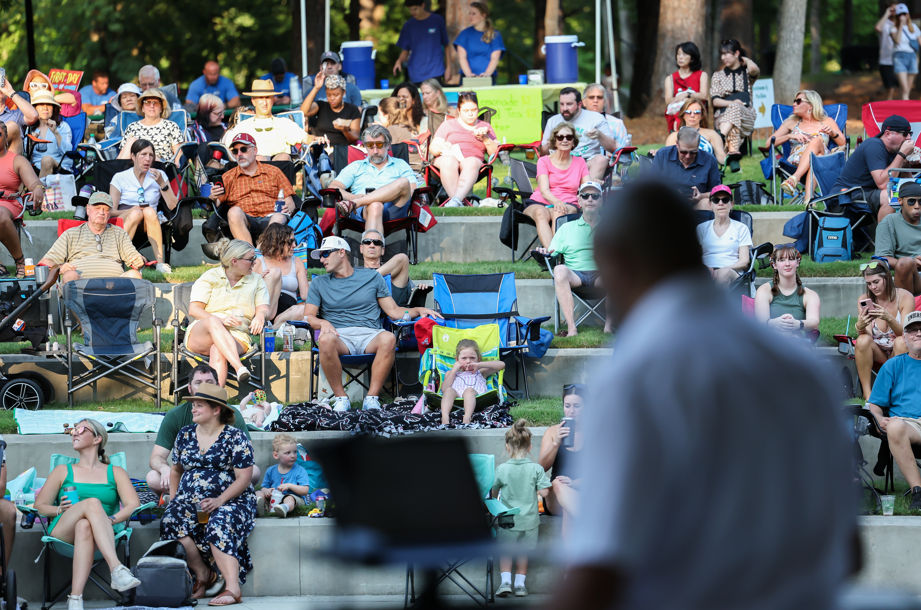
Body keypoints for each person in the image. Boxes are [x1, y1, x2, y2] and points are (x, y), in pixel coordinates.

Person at [551, 179, 858, 610]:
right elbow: (850, 552)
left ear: (615, 261)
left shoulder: (632, 380)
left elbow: (597, 576)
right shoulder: (803, 368)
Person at [304, 235, 441, 411]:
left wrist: (418, 311)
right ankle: (341, 398)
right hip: (339, 336)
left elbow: (393, 311)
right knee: (324, 340)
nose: (322, 259)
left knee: (389, 338)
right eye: (320, 256)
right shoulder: (319, 283)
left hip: (370, 334)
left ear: (341, 253)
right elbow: (308, 316)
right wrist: (322, 323)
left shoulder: (372, 278)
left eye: (325, 254)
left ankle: (371, 398)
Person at [159, 383, 257, 605]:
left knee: (219, 522)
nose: (193, 409)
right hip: (190, 500)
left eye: (199, 405)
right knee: (171, 520)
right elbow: (175, 470)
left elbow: (244, 477)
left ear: (216, 410)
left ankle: (233, 589)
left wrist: (220, 500)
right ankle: (203, 573)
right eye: (193, 404)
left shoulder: (235, 437)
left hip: (232, 499)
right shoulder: (184, 435)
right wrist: (174, 501)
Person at [33, 419, 142, 610]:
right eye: (73, 430)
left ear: (97, 439)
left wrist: (110, 519)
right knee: (92, 503)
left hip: (102, 534)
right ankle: (116, 569)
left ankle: (75, 599)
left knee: (84, 526)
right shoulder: (62, 471)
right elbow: (39, 506)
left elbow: (133, 505)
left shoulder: (115, 472)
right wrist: (59, 509)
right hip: (63, 532)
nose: (74, 433)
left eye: (80, 429)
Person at [146, 364, 258, 497]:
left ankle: (228, 495)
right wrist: (164, 469)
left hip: (224, 479)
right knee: (153, 477)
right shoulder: (178, 419)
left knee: (254, 471)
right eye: (198, 383)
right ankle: (178, 496)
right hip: (188, 477)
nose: (204, 387)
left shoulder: (233, 419)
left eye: (209, 383)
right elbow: (157, 458)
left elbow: (246, 458)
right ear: (189, 388)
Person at [185, 238, 269, 386]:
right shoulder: (210, 276)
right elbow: (194, 309)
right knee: (213, 320)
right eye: (251, 259)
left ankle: (214, 401)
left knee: (218, 348)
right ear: (234, 261)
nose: (255, 262)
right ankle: (239, 367)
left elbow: (263, 308)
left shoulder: (256, 280)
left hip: (237, 334)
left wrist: (261, 315)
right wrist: (221, 321)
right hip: (203, 333)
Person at [538, 182, 612, 336]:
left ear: (601, 201)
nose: (590, 199)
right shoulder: (566, 228)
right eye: (585, 196)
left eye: (595, 196)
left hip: (602, 274)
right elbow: (550, 254)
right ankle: (571, 328)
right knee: (559, 270)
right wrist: (542, 252)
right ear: (579, 201)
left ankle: (608, 328)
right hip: (575, 275)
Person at [867, 309, 921, 509]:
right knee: (895, 426)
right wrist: (879, 419)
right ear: (904, 337)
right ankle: (919, 493)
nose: (918, 333)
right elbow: (875, 405)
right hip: (909, 425)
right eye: (913, 330)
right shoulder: (892, 366)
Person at [492, 419, 551, 598]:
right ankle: (520, 586)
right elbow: (545, 493)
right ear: (530, 447)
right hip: (529, 521)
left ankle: (505, 583)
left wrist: (492, 504)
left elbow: (493, 492)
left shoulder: (502, 469)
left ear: (507, 446)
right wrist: (550, 485)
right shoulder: (536, 469)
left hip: (507, 520)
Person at [327, 124, 417, 235]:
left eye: (379, 145)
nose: (375, 151)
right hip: (363, 211)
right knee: (375, 205)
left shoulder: (400, 164)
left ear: (388, 145)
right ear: (365, 146)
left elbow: (412, 189)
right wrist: (353, 197)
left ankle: (356, 203)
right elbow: (333, 187)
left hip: (394, 209)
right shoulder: (356, 166)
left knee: (404, 182)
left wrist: (356, 202)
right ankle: (374, 248)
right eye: (370, 145)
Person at [208, 133, 296, 245]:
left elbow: (290, 202)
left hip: (272, 217)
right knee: (233, 212)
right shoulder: (228, 177)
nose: (239, 154)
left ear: (255, 151)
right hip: (246, 219)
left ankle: (258, 252)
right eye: (235, 151)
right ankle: (249, 253)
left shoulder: (274, 172)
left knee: (279, 217)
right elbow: (214, 205)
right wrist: (212, 197)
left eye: (243, 149)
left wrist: (288, 209)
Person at [38, 192, 144, 283]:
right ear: (88, 209)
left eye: (106, 209)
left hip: (115, 286)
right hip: (81, 284)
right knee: (70, 276)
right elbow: (45, 261)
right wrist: (61, 268)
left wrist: (140, 261)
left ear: (110, 213)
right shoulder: (71, 234)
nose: (102, 212)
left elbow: (135, 258)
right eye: (97, 208)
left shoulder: (119, 233)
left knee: (135, 275)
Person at [109, 139, 177, 273]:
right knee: (137, 213)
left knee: (150, 211)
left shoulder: (159, 175)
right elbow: (111, 211)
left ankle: (160, 263)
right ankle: (118, 260)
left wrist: (162, 184)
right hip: (125, 218)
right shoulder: (120, 177)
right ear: (133, 156)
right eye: (143, 154)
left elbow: (173, 205)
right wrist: (131, 210)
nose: (148, 159)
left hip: (149, 221)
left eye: (151, 155)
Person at [835, 114, 914, 223]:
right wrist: (901, 155)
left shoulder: (895, 151)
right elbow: (883, 184)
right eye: (904, 134)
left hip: (866, 194)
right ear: (888, 134)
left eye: (910, 134)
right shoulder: (873, 146)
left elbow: (908, 185)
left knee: (913, 193)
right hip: (845, 198)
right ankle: (884, 239)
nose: (909, 138)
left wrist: (906, 164)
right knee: (890, 196)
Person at [769, 90, 845, 201]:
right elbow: (768, 143)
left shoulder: (827, 121)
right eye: (794, 101)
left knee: (816, 142)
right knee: (816, 157)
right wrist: (789, 136)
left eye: (798, 101)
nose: (794, 104)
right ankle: (809, 200)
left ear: (810, 105)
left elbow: (844, 143)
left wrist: (833, 134)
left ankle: (795, 178)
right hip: (797, 161)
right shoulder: (791, 122)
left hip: (824, 162)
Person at [524, 122, 589, 247]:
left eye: (569, 137)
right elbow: (544, 190)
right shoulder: (544, 161)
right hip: (541, 201)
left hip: (568, 202)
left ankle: (556, 255)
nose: (564, 140)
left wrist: (594, 183)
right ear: (555, 141)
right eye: (560, 137)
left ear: (573, 141)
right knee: (539, 213)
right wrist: (557, 202)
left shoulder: (580, 162)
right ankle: (552, 255)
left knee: (559, 212)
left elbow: (587, 185)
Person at [855, 259, 913, 399]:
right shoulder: (864, 300)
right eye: (869, 284)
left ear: (886, 277)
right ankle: (868, 395)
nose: (873, 287)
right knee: (862, 340)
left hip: (900, 350)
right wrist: (860, 326)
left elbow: (907, 334)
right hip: (878, 352)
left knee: (901, 341)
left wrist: (889, 318)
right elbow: (867, 334)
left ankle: (897, 394)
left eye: (876, 282)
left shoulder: (905, 297)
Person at [431, 91, 497, 207]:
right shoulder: (448, 125)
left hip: (472, 164)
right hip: (447, 161)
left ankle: (455, 201)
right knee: (449, 160)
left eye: (474, 110)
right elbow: (433, 148)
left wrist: (486, 139)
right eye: (466, 111)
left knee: (471, 161)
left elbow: (493, 154)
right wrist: (442, 147)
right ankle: (457, 200)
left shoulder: (485, 127)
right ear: (458, 111)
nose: (470, 114)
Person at [224, 79, 318, 161]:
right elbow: (227, 145)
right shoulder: (243, 125)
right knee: (258, 158)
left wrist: (316, 138)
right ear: (253, 101)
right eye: (261, 98)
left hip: (280, 167)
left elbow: (305, 137)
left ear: (273, 101)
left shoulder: (284, 123)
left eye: (267, 98)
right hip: (254, 170)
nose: (264, 102)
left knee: (283, 157)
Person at [537, 384, 584, 541]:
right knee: (558, 483)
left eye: (577, 406)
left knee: (568, 510)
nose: (571, 411)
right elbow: (541, 467)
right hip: (555, 497)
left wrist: (574, 483)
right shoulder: (552, 432)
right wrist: (556, 443)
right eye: (567, 406)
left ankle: (570, 564)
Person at [540, 88, 615, 181]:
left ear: (579, 104)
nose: (564, 108)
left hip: (587, 162)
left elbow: (613, 148)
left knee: (601, 159)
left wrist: (600, 135)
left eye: (569, 104)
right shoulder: (553, 121)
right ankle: (585, 191)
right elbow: (543, 155)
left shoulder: (596, 118)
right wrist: (547, 145)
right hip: (560, 163)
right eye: (562, 104)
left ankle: (586, 190)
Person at [0, 123, 43, 278]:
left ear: (6, 138)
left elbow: (34, 182)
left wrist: (37, 188)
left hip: (8, 203)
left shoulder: (17, 160)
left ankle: (19, 261)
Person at [710, 39, 760, 168]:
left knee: (736, 108)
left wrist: (746, 60)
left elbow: (754, 68)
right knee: (734, 111)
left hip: (746, 116)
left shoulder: (747, 73)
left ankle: (719, 138)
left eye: (727, 53)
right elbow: (715, 100)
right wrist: (732, 102)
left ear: (736, 53)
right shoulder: (718, 75)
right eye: (722, 54)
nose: (723, 57)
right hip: (722, 118)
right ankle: (733, 154)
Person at [754, 243, 821, 334]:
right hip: (769, 344)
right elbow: (760, 324)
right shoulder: (764, 290)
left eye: (791, 259)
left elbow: (814, 322)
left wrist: (797, 324)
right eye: (782, 260)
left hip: (796, 344)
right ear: (774, 265)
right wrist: (775, 323)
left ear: (797, 263)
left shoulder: (810, 295)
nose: (787, 264)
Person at [649, 127, 722, 209]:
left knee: (707, 203)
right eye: (683, 152)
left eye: (693, 152)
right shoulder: (663, 155)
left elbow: (716, 191)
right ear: (677, 144)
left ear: (698, 146)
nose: (688, 156)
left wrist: (701, 196)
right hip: (667, 203)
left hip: (696, 206)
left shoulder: (709, 160)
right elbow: (651, 187)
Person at [252, 223, 310, 324]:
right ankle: (266, 319)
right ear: (277, 242)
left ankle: (272, 328)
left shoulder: (297, 262)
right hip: (264, 307)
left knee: (303, 309)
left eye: (294, 241)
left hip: (287, 313)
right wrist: (259, 280)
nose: (294, 246)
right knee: (275, 272)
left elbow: (305, 294)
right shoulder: (259, 262)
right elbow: (245, 290)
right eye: (290, 242)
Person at [440, 338, 505, 424]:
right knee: (449, 390)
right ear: (457, 360)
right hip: (456, 398)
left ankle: (467, 417)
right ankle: (445, 418)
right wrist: (454, 370)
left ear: (478, 358)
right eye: (464, 358)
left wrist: (479, 365)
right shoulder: (452, 373)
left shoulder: (481, 371)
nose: (468, 361)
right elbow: (444, 389)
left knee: (469, 390)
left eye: (472, 358)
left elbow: (502, 365)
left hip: (477, 397)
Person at [697, 185, 752, 285]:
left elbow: (744, 262)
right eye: (716, 200)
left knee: (723, 273)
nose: (721, 203)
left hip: (732, 271)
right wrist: (707, 270)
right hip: (706, 271)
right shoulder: (701, 228)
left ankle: (717, 300)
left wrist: (722, 269)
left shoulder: (741, 228)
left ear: (731, 204)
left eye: (725, 200)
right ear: (710, 205)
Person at [876, 181, 921, 294]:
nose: (917, 206)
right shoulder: (889, 222)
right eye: (911, 201)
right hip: (909, 275)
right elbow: (882, 257)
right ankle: (905, 309)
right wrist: (911, 263)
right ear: (900, 201)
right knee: (905, 263)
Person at [393, 0, 452, 85]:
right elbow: (405, 50)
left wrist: (448, 68)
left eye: (415, 9)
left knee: (434, 97)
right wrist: (399, 60)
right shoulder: (408, 25)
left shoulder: (437, 20)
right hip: (415, 72)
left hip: (435, 70)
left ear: (423, 5)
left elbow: (446, 44)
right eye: (410, 9)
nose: (412, 12)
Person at [118, 88, 183, 164]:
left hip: (160, 166)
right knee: (131, 140)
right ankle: (115, 170)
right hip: (134, 166)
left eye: (155, 103)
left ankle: (115, 171)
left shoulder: (171, 126)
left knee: (139, 146)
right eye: (147, 102)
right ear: (142, 108)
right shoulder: (132, 127)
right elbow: (122, 155)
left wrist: (177, 169)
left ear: (161, 108)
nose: (151, 106)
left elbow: (178, 155)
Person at [255, 433, 310, 519]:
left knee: (289, 498)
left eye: (294, 452)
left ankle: (285, 508)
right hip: (274, 499)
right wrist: (267, 491)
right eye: (288, 453)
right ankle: (260, 507)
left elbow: (305, 490)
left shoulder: (300, 470)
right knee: (258, 492)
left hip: (294, 499)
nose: (292, 455)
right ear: (276, 455)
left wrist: (290, 486)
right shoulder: (271, 470)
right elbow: (264, 487)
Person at [301, 74, 361, 146]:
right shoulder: (321, 106)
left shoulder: (352, 109)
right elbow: (304, 112)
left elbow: (355, 138)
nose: (332, 98)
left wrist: (345, 131)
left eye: (336, 95)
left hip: (342, 151)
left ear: (343, 93)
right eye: (329, 95)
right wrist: (316, 88)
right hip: (322, 150)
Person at [25, 90, 72, 177]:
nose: (45, 108)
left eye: (49, 104)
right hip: (35, 167)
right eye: (41, 104)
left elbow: (68, 152)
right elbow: (25, 155)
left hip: (59, 166)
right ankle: (17, 191)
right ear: (34, 108)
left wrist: (56, 133)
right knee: (18, 163)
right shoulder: (29, 129)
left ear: (53, 108)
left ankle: (39, 189)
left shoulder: (62, 126)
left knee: (47, 160)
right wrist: (30, 143)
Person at [664, 42, 709, 132]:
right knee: (679, 115)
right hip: (678, 112)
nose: (680, 57)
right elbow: (668, 100)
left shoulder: (702, 75)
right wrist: (681, 101)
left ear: (692, 58)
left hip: (696, 112)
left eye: (684, 54)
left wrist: (686, 96)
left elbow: (703, 96)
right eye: (678, 54)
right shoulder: (670, 78)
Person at [661, 99, 724, 163]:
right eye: (688, 112)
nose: (692, 115)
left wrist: (728, 158)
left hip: (706, 170)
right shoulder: (674, 136)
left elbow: (721, 156)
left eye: (696, 112)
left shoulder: (711, 134)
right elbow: (668, 159)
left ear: (701, 115)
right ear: (683, 115)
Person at [454, 2, 505, 81]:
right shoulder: (464, 34)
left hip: (488, 77)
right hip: (467, 78)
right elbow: (462, 58)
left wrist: (487, 74)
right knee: (466, 94)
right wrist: (469, 75)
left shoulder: (495, 35)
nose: (470, 16)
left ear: (483, 15)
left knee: (487, 94)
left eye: (474, 14)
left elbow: (495, 58)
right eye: (469, 13)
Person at [376, 97, 423, 172]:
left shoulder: (392, 129)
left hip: (410, 170)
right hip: (419, 169)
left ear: (386, 115)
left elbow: (387, 155)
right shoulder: (406, 126)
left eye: (379, 114)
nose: (378, 117)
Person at [582, 83, 631, 150]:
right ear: (584, 102)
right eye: (591, 97)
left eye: (599, 97)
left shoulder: (617, 124)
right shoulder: (575, 122)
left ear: (605, 102)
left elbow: (625, 156)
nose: (595, 100)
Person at [0, 75, 38, 156]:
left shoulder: (16, 114)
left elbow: (33, 116)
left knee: (11, 126)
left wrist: (10, 92)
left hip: (11, 164)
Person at [891, 4, 920, 100]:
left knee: (906, 90)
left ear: (908, 14)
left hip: (912, 57)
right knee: (904, 88)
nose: (902, 16)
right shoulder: (893, 28)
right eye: (900, 14)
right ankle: (905, 113)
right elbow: (897, 41)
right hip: (899, 57)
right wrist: (901, 26)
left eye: (904, 14)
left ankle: (897, 107)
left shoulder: (914, 27)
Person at [877, 5, 899, 101]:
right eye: (892, 9)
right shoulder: (885, 24)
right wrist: (887, 13)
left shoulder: (903, 24)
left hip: (901, 59)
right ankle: (890, 109)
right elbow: (878, 28)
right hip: (886, 60)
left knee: (903, 87)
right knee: (890, 87)